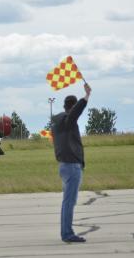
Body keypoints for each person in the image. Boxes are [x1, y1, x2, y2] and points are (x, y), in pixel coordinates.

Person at [51, 83, 92, 243]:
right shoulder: (68, 120)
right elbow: (74, 114)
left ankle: (66, 231)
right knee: (69, 202)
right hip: (72, 166)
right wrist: (86, 96)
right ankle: (67, 234)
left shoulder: (57, 123)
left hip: (64, 166)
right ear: (72, 107)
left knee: (67, 202)